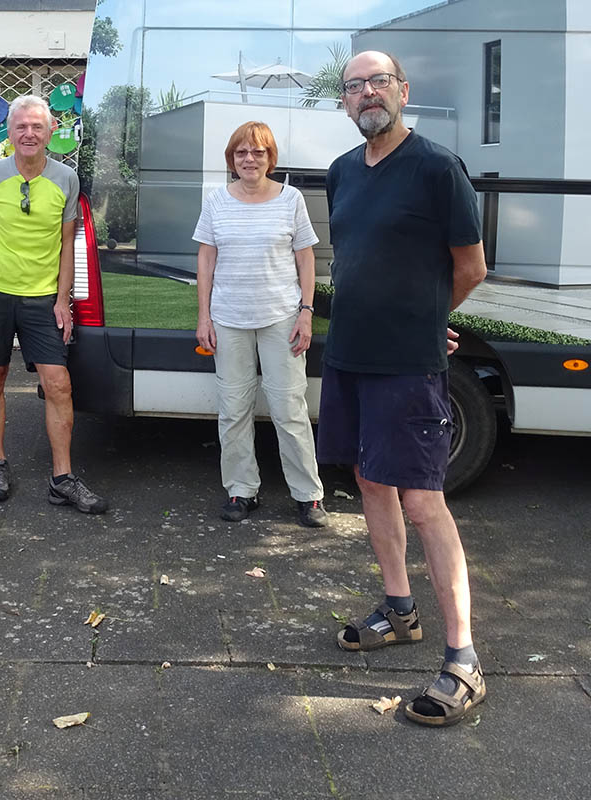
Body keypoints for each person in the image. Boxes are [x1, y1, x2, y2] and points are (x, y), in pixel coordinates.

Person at [321, 51, 488, 726]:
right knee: (368, 482)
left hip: (406, 366)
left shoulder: (436, 168)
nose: (368, 93)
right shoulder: (340, 174)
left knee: (424, 501)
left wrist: (428, 323)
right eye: (355, 86)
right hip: (350, 356)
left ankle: (464, 661)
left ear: (403, 91)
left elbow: (471, 267)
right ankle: (399, 610)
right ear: (344, 102)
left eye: (378, 82)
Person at [0, 94, 108, 514]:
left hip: (42, 299)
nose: (29, 134)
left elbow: (68, 244)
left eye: (37, 127)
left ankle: (62, 478)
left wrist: (63, 300)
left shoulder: (66, 179)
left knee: (59, 383)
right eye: (20, 127)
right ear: (9, 133)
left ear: (50, 132)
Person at [192, 121, 328, 529]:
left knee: (289, 408)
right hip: (229, 318)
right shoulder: (216, 200)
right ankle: (240, 489)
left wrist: (306, 311)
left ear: (271, 158)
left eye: (258, 152)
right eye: (241, 153)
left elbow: (306, 259)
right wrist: (204, 316)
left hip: (281, 318)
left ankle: (309, 496)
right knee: (233, 409)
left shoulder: (291, 199)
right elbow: (206, 260)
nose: (249, 159)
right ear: (232, 160)